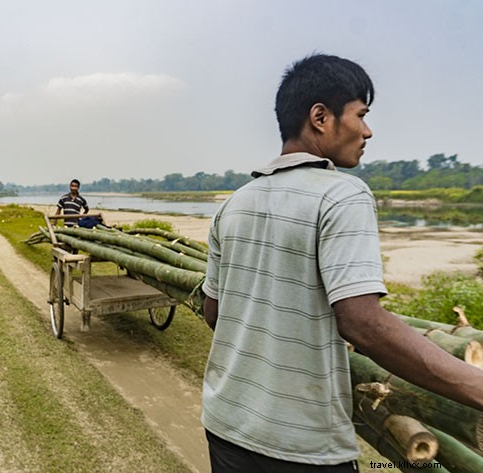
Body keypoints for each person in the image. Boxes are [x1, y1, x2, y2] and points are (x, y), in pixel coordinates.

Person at [200, 53, 483, 472]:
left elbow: (214, 313)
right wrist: (476, 385)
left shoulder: (234, 204)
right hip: (301, 446)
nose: (367, 131)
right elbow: (362, 322)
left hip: (225, 423)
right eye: (361, 115)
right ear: (320, 117)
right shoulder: (342, 195)